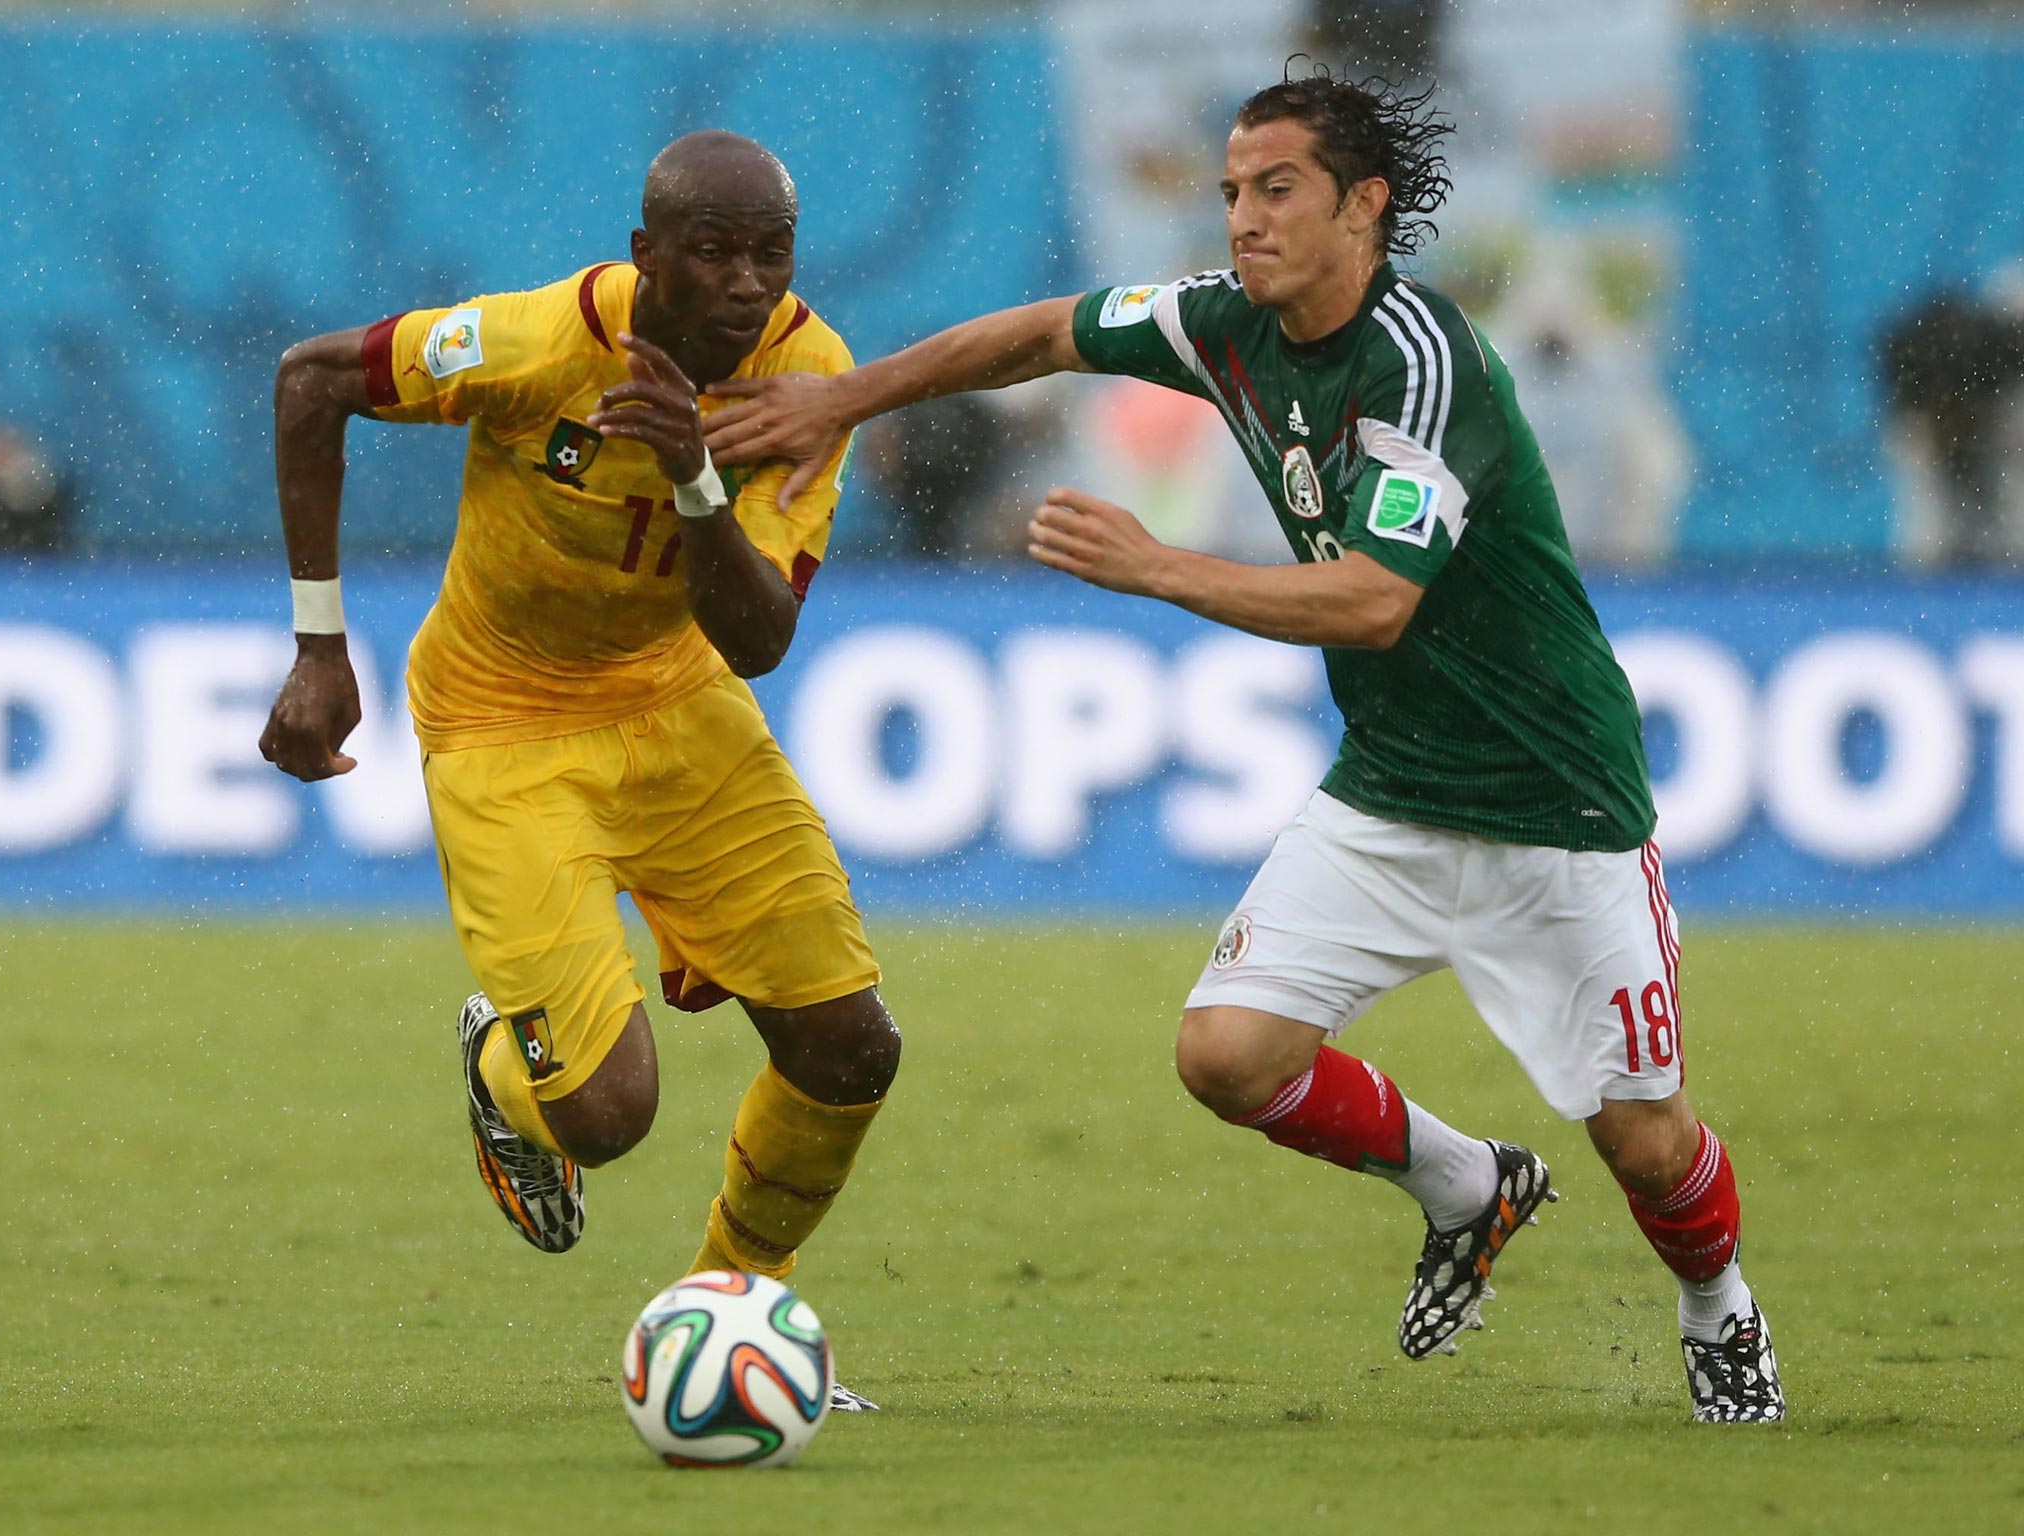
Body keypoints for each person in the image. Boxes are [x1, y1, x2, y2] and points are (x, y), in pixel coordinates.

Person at [704, 71, 1784, 1425]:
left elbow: (1377, 602)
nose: (1244, 217)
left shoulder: (1424, 366)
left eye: (1276, 189)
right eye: (1230, 191)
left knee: (1644, 1138)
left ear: (1363, 205)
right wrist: (844, 401)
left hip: (1553, 807)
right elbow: (1043, 333)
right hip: (1390, 795)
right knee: (1225, 1056)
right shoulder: (1222, 327)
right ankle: (1465, 1182)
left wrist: (1161, 568)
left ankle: (1717, 1310)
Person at [258, 131, 898, 1412]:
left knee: (846, 1050)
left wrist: (694, 473)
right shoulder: (538, 344)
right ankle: (505, 1066)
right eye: (709, 253)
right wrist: (318, 645)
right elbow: (310, 378)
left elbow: (760, 639)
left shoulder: (807, 383)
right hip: (502, 730)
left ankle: (726, 1317)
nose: (742, 282)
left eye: (767, 253)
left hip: (679, 708)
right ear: (644, 254)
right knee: (606, 1116)